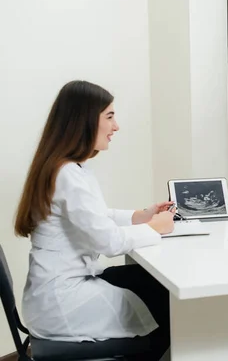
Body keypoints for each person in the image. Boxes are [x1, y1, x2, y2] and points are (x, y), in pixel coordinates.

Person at [15, 80, 175, 360]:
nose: (117, 126)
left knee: (152, 284)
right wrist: (155, 228)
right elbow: (108, 241)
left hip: (56, 291)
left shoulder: (68, 167)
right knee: (173, 317)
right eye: (110, 117)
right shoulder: (66, 174)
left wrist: (140, 216)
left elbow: (95, 217)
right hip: (62, 302)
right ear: (84, 120)